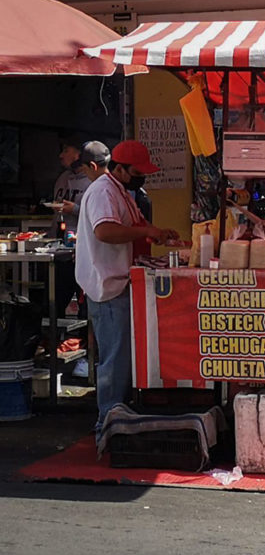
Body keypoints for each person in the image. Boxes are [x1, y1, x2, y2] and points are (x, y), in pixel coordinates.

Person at [76, 140, 179, 436]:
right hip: (107, 285)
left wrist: (155, 235)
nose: (141, 177)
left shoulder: (122, 191)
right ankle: (107, 421)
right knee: (115, 356)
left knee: (122, 355)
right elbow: (105, 231)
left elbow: (132, 227)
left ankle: (119, 414)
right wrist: (147, 230)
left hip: (122, 282)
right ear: (119, 168)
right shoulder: (102, 191)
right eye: (136, 171)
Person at [48, 140, 94, 315]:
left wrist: (74, 209)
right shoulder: (62, 178)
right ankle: (53, 340)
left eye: (66, 150)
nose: (61, 156)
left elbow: (100, 216)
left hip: (83, 252)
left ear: (80, 154)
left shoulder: (93, 181)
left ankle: (83, 341)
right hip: (59, 250)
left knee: (86, 308)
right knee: (53, 304)